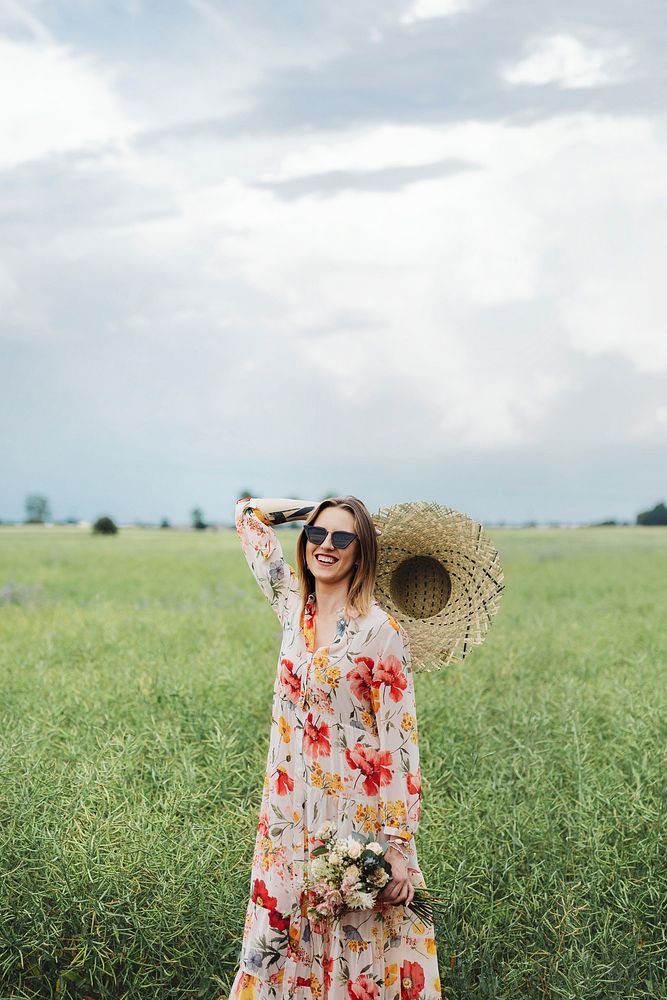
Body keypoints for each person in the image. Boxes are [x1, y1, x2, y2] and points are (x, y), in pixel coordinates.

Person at [228, 495, 442, 1000]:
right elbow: (248, 515)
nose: (326, 545)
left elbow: (400, 743)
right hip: (287, 819)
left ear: (361, 553)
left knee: (355, 948)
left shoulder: (381, 633)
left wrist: (397, 848)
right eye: (318, 535)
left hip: (353, 821)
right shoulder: (291, 609)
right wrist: (318, 507)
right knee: (280, 938)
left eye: (343, 538)